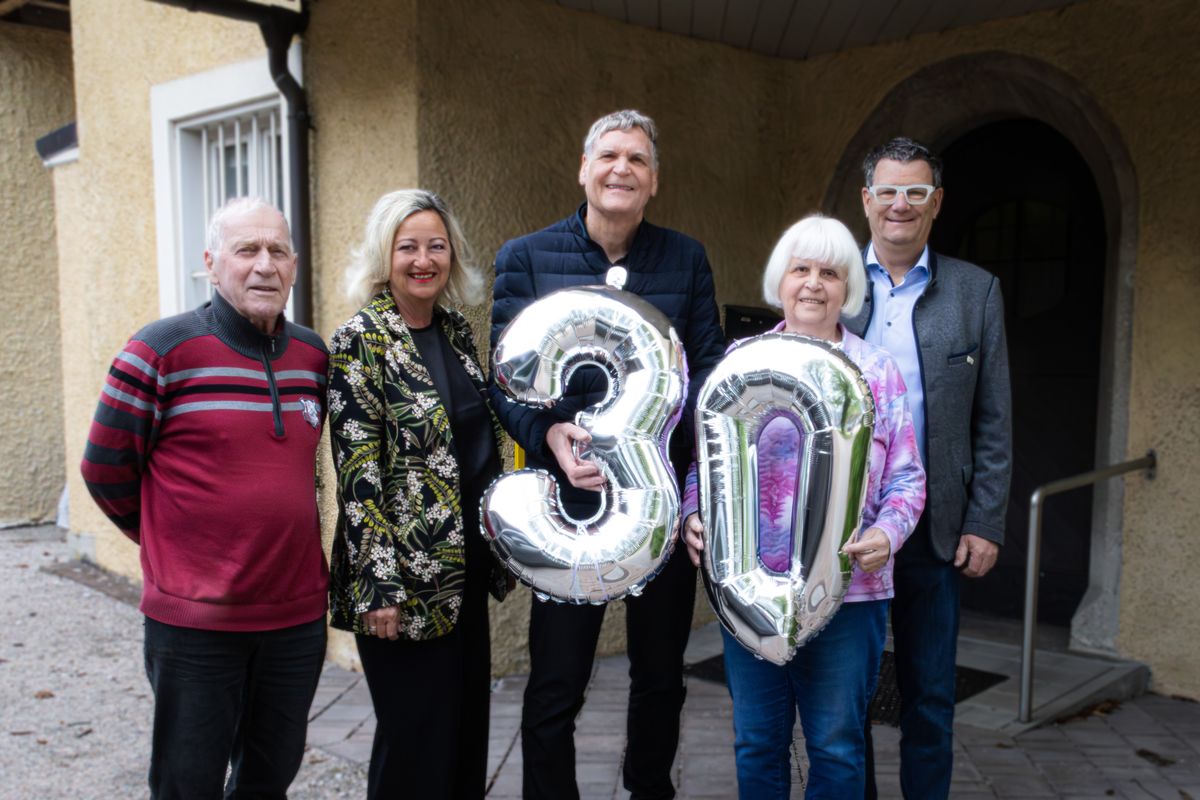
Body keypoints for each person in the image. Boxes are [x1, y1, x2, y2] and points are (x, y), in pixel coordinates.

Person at [489, 109, 725, 800]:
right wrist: (547, 437)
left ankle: (649, 789)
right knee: (557, 681)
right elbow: (503, 381)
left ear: (653, 182)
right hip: (568, 507)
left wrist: (693, 490)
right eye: (610, 156)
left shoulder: (685, 258)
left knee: (660, 677)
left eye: (638, 160)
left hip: (657, 505)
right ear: (584, 170)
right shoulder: (526, 257)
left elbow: (707, 370)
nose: (622, 169)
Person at [80, 197, 330, 799]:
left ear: (294, 265)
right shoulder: (160, 351)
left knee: (269, 779)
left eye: (277, 250)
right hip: (196, 625)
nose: (264, 265)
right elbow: (104, 468)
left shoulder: (313, 357)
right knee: (187, 784)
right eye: (247, 250)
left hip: (295, 621)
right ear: (212, 264)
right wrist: (173, 544)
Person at [681, 214, 926, 799]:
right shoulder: (742, 359)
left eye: (830, 273)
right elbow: (702, 464)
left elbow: (908, 478)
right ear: (780, 280)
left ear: (849, 288)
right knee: (757, 743)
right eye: (801, 269)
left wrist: (888, 536)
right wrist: (694, 513)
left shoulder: (876, 371)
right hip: (748, 586)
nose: (814, 284)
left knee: (838, 747)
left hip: (850, 593)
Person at [327, 189, 509, 800]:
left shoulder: (457, 332)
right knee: (413, 750)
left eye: (437, 246)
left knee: (463, 740)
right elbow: (359, 475)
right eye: (409, 247)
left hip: (463, 573)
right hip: (400, 584)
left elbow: (477, 442)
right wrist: (379, 588)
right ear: (386, 256)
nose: (423, 260)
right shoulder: (360, 341)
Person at [845, 137, 1012, 799]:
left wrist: (987, 520)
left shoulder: (975, 292)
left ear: (936, 203)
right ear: (866, 200)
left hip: (937, 524)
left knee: (930, 698)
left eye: (916, 192)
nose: (900, 205)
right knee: (846, 696)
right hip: (846, 526)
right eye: (887, 191)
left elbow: (994, 418)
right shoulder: (830, 279)